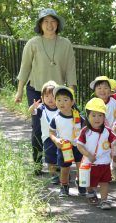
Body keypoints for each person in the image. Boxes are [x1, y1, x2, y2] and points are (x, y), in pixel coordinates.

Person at [15, 8, 77, 175]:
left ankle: (57, 164)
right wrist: (19, 91)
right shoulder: (33, 43)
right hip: (36, 91)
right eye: (46, 22)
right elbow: (25, 68)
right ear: (40, 25)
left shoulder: (66, 44)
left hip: (58, 94)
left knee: (59, 128)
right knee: (37, 127)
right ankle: (37, 164)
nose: (50, 25)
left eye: (53, 21)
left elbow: (71, 70)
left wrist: (71, 94)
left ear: (57, 24)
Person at [77, 98, 116, 210]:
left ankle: (104, 200)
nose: (97, 118)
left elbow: (114, 141)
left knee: (104, 182)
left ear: (104, 117)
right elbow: (79, 145)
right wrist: (88, 155)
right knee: (90, 182)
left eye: (100, 115)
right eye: (93, 115)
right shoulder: (85, 131)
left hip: (105, 162)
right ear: (88, 116)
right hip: (90, 163)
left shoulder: (107, 130)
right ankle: (90, 192)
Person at [49, 86, 84, 197]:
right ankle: (64, 186)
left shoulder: (79, 117)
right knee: (65, 168)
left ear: (72, 102)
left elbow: (86, 131)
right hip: (64, 146)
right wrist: (56, 140)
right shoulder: (56, 118)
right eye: (58, 100)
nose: (61, 103)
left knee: (81, 166)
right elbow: (51, 132)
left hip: (78, 146)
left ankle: (81, 183)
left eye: (65, 100)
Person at [28, 80, 59, 184]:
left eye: (53, 96)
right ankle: (53, 175)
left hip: (61, 137)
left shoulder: (61, 108)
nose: (50, 99)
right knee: (50, 158)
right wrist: (33, 106)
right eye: (47, 96)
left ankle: (64, 175)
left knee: (63, 157)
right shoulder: (42, 108)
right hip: (47, 138)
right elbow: (31, 111)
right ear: (42, 98)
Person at [89, 76, 116, 179]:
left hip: (115, 131)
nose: (102, 90)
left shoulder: (114, 99)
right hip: (100, 132)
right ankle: (99, 171)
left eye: (106, 88)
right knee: (101, 152)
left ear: (110, 90)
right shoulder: (93, 102)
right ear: (95, 90)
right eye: (99, 88)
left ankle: (114, 167)